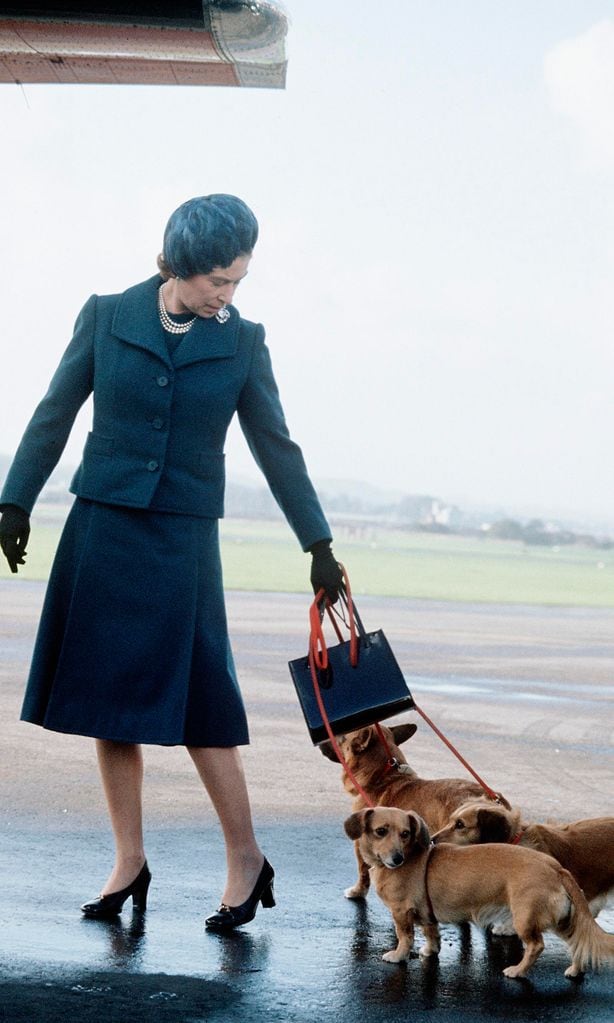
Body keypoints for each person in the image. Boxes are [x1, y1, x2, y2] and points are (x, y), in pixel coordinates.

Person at [0, 194, 343, 931]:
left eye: (237, 282)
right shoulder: (105, 315)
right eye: (218, 280)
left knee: (203, 708)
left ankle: (246, 857)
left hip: (183, 541)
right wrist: (14, 500)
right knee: (106, 702)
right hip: (103, 527)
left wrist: (318, 543)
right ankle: (129, 859)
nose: (228, 294)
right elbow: (53, 411)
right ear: (175, 265)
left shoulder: (244, 342)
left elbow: (275, 445)